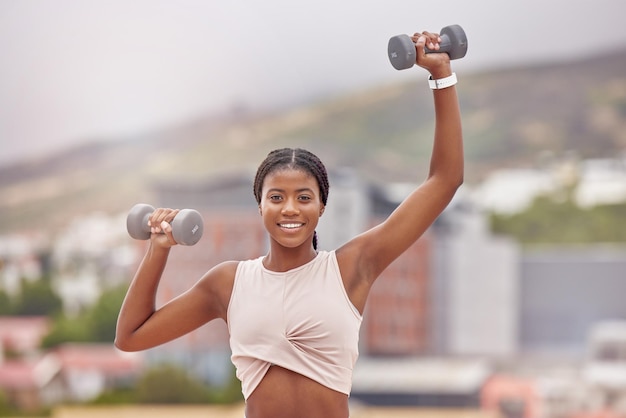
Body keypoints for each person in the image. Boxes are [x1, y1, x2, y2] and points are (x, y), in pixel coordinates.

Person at [115, 29, 463, 418]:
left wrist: (441, 75)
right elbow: (130, 337)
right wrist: (158, 249)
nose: (290, 209)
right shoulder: (229, 283)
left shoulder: (351, 267)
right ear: (260, 207)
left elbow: (444, 180)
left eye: (304, 197)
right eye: (276, 198)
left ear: (322, 207)